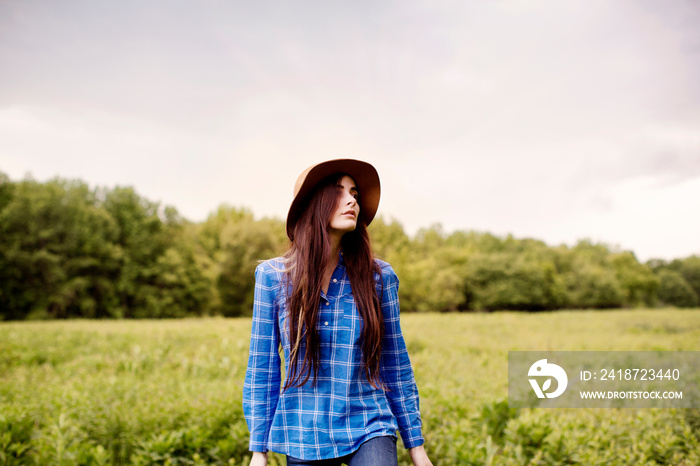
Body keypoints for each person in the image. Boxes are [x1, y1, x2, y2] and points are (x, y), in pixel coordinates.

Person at [243, 159, 432, 466]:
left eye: (354, 193)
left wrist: (416, 445)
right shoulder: (273, 277)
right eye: (339, 191)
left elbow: (395, 362)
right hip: (303, 429)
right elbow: (262, 366)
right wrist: (258, 451)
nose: (352, 200)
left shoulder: (379, 278)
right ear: (314, 204)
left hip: (369, 422)